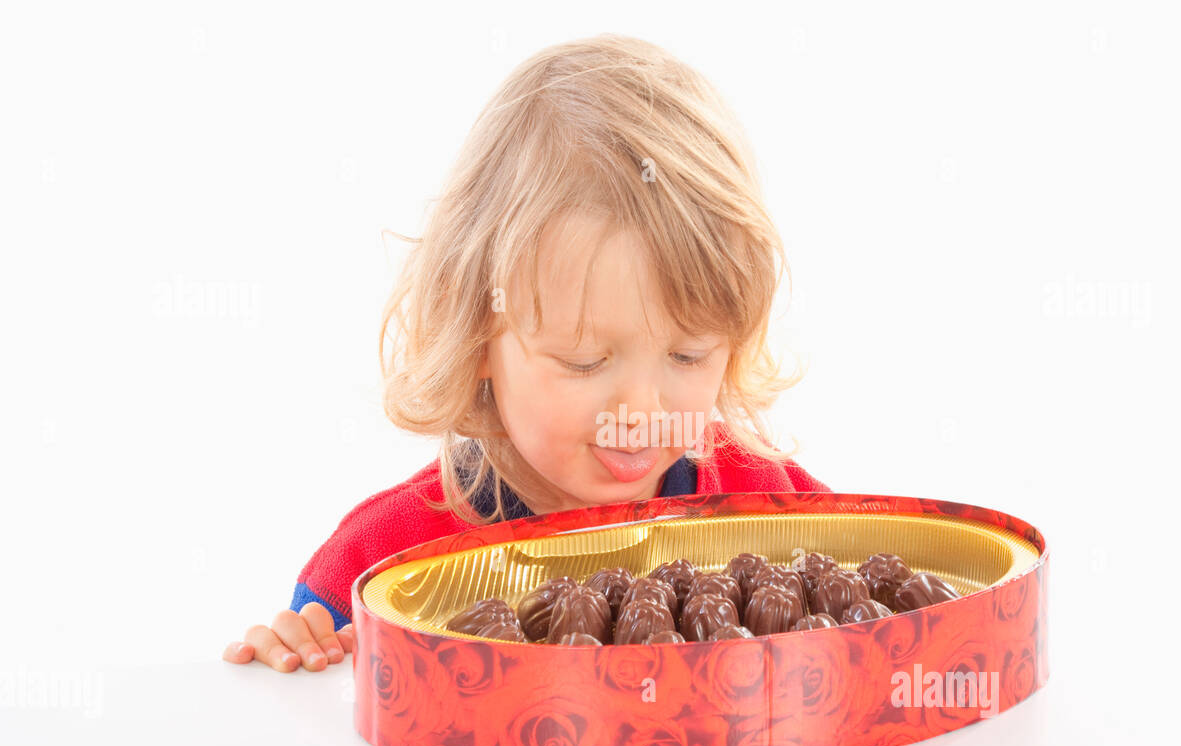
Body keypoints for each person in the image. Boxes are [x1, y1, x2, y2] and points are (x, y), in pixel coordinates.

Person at [223, 34, 829, 673]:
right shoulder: (382, 567)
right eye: (585, 361)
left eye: (688, 355)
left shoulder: (769, 508)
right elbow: (311, 731)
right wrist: (295, 654)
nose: (642, 411)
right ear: (479, 331)